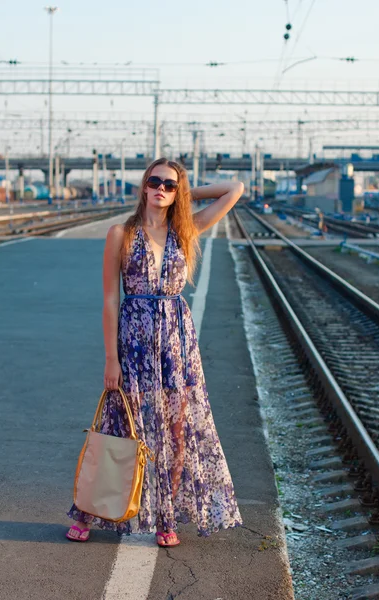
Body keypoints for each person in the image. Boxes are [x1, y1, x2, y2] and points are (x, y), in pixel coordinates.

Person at [66, 158, 244, 547]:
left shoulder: (187, 228)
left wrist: (183, 193)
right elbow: (111, 300)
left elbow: (235, 190)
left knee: (176, 431)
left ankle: (166, 518)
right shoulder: (121, 234)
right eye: (155, 181)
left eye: (169, 184)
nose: (161, 188)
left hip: (177, 343)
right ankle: (88, 510)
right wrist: (110, 358)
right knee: (121, 424)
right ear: (143, 186)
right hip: (133, 341)